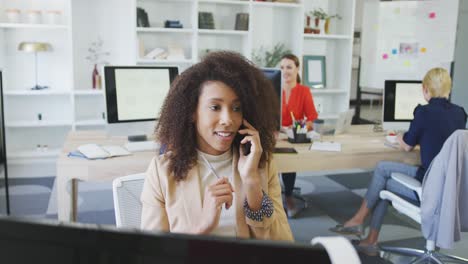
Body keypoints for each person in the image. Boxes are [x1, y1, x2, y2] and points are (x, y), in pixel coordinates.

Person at [140, 51, 293, 241]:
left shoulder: (261, 165)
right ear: (192, 112)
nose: (228, 119)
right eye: (215, 107)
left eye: (236, 108)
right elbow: (153, 253)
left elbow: (283, 243)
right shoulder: (162, 171)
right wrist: (202, 227)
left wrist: (252, 183)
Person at [330, 68, 467, 255]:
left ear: (426, 89)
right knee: (383, 178)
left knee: (382, 173)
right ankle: (368, 237)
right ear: (447, 90)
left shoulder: (423, 112)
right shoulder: (460, 113)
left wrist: (402, 136)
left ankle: (359, 222)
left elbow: (407, 146)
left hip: (430, 188)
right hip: (452, 190)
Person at [279, 54, 318, 218]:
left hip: (294, 136)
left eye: (289, 67)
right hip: (276, 134)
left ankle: (288, 196)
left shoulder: (304, 91)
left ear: (297, 69)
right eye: (282, 68)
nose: (285, 71)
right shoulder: (274, 88)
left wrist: (297, 127)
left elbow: (311, 119)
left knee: (288, 160)